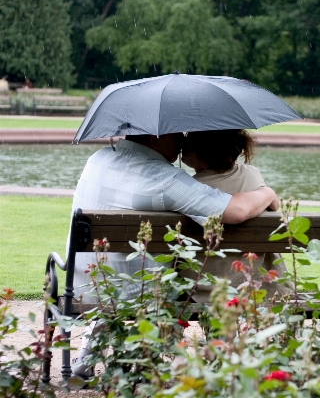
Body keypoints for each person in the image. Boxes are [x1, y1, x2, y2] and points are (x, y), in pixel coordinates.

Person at [70, 133, 279, 378]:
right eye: (176, 132)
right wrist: (268, 193)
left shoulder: (99, 158)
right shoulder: (164, 178)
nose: (182, 139)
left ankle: (87, 357)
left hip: (82, 282)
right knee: (156, 274)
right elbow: (236, 210)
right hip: (141, 291)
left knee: (120, 271)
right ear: (156, 138)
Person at [181, 129, 292, 302]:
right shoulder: (252, 175)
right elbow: (275, 206)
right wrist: (268, 193)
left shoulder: (189, 187)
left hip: (199, 286)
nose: (182, 147)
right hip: (250, 282)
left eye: (187, 145)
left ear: (202, 154)